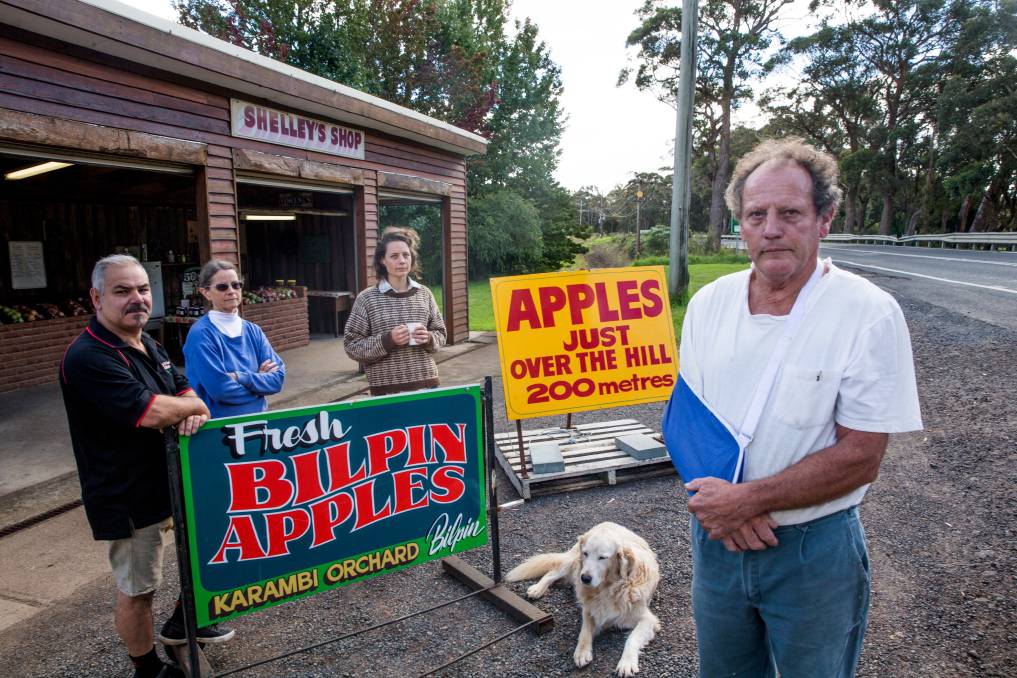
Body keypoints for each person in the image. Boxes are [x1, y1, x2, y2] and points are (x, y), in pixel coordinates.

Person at [674, 138, 922, 677]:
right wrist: (723, 509)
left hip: (814, 550)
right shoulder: (708, 305)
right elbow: (688, 420)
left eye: (790, 213)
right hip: (719, 542)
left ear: (823, 219)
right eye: (756, 214)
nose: (771, 229)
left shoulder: (867, 313)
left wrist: (748, 500)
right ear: (739, 223)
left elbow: (861, 456)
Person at [60, 254, 233, 678]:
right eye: (122, 291)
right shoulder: (88, 357)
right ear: (97, 297)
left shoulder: (147, 341)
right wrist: (190, 406)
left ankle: (182, 624)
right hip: (128, 496)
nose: (136, 299)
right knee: (139, 590)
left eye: (142, 289)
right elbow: (153, 411)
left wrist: (189, 404)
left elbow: (181, 386)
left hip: (169, 480)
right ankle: (147, 668)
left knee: (201, 553)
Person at [343, 227, 447, 395]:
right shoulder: (367, 299)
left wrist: (428, 338)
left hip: (428, 386)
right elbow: (351, 346)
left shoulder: (424, 293)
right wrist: (388, 340)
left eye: (406, 255)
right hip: (386, 391)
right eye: (394, 256)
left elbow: (441, 334)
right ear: (382, 260)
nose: (402, 261)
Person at [183, 260, 285, 418]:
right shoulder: (201, 335)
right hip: (220, 430)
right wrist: (259, 384)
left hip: (259, 423)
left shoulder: (253, 331)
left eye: (236, 285)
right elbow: (221, 390)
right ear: (206, 292)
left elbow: (277, 379)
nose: (231, 291)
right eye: (222, 287)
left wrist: (239, 377)